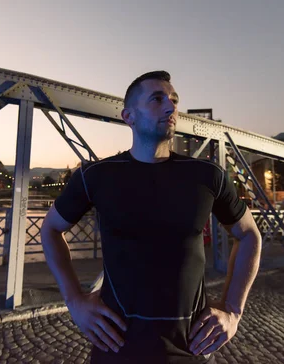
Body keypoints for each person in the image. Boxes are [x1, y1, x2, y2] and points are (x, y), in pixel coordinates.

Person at [41, 71, 262, 363]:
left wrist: (233, 309)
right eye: (157, 99)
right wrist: (75, 301)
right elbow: (51, 229)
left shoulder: (207, 176)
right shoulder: (96, 176)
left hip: (190, 347)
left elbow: (249, 234)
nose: (171, 108)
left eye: (173, 100)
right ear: (128, 116)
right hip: (116, 347)